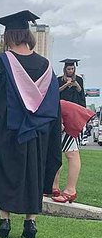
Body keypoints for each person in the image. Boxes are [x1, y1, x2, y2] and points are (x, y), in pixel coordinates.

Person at [0, 10, 61, 238]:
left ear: (9, 35)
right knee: (33, 174)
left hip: (7, 131)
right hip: (37, 135)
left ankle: (4, 222)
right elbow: (54, 108)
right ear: (27, 34)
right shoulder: (46, 67)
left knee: (5, 172)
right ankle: (30, 223)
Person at [51, 58, 86, 203]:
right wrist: (65, 86)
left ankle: (70, 190)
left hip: (71, 115)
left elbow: (81, 98)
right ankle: (54, 186)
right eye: (68, 68)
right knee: (56, 151)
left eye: (72, 69)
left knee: (71, 153)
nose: (70, 70)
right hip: (60, 112)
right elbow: (55, 95)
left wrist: (77, 87)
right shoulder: (59, 80)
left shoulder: (79, 80)